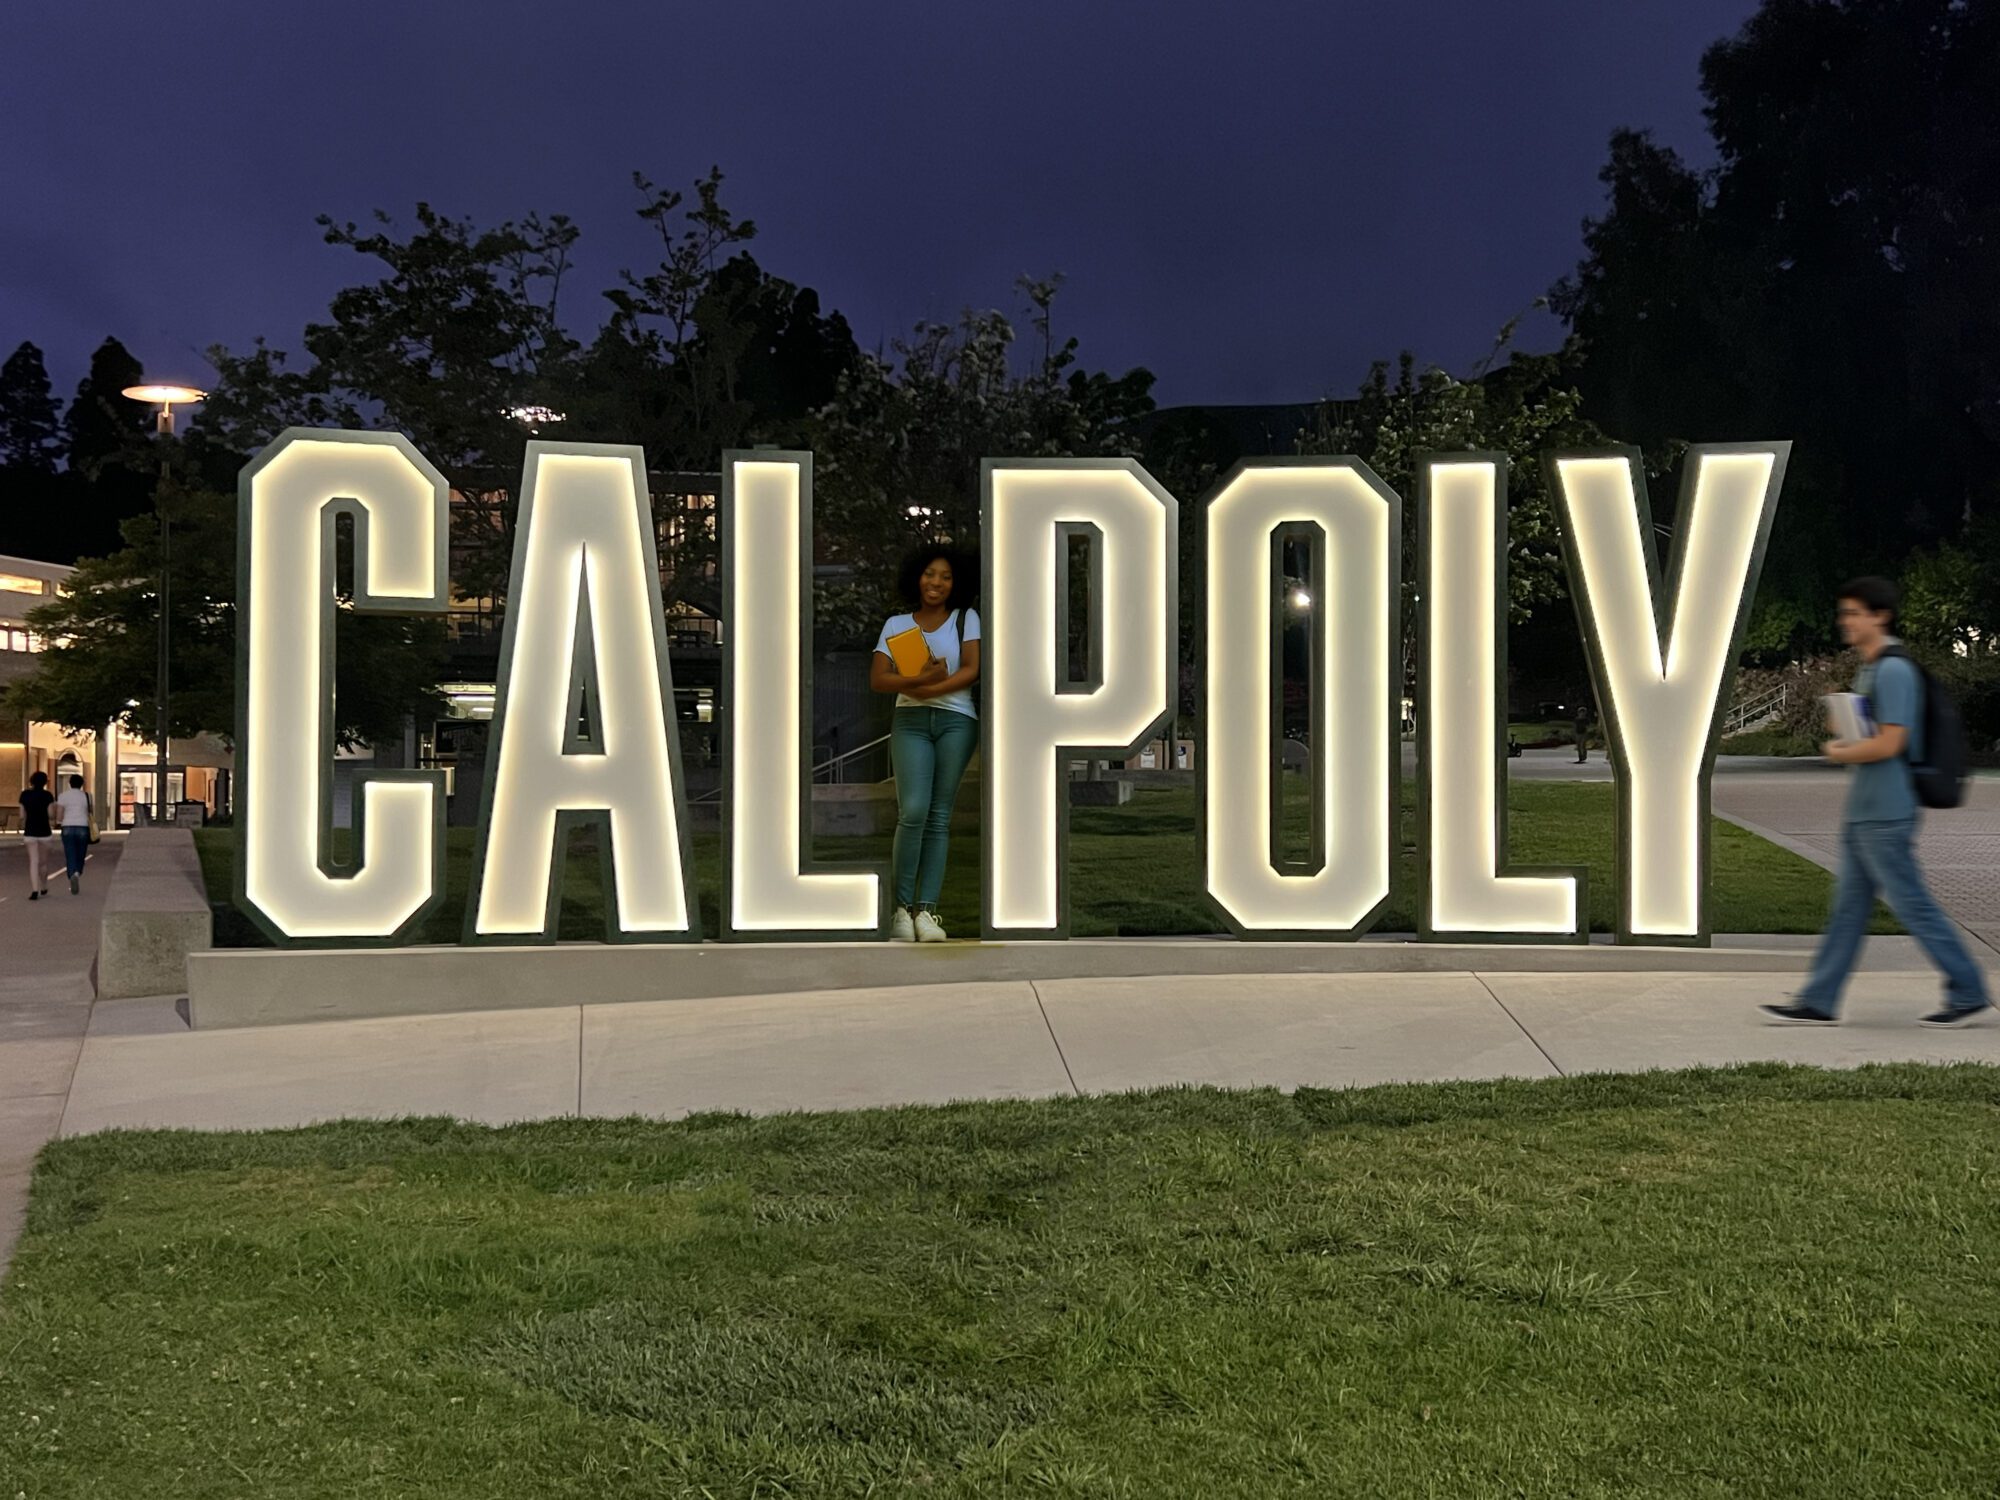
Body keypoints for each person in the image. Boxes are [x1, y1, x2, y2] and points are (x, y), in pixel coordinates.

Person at [1764, 577, 1991, 1027]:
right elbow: (1870, 732)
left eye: (1854, 613)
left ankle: (1968, 990)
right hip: (1865, 811)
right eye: (1844, 613)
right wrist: (1844, 725)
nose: (1845, 621)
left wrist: (1839, 751)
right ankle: (1820, 999)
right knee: (1848, 910)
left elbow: (1891, 743)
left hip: (1887, 812)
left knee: (1912, 905)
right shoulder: (1869, 670)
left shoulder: (1894, 671)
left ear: (1880, 616)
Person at [871, 544, 980, 942]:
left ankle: (927, 912)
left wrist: (928, 687)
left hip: (957, 722)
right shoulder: (898, 625)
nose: (936, 582)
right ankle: (901, 911)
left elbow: (971, 670)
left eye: (946, 577)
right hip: (910, 722)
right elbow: (879, 679)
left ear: (957, 584)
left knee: (938, 816)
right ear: (917, 578)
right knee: (913, 811)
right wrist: (920, 681)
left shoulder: (966, 619)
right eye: (930, 574)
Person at [17, 771, 57, 901]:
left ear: (31, 781)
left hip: (30, 832)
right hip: (44, 832)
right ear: (45, 782)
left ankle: (34, 890)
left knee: (33, 861)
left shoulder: (24, 795)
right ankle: (44, 886)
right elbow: (51, 815)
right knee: (43, 863)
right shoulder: (47, 795)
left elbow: (21, 816)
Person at [56, 774, 92, 895]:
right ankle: (77, 872)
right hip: (83, 826)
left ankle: (72, 873)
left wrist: (60, 821)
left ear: (69, 783)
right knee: (81, 853)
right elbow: (90, 812)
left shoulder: (63, 796)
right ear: (82, 784)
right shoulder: (87, 796)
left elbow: (59, 815)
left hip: (67, 826)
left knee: (70, 852)